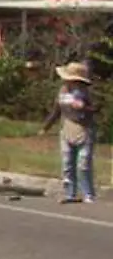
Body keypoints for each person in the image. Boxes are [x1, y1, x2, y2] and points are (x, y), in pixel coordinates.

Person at [44, 62, 97, 204]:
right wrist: (46, 127)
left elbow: (94, 110)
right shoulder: (62, 92)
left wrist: (84, 107)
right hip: (67, 129)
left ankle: (88, 193)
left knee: (83, 165)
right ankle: (70, 193)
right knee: (67, 163)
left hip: (84, 130)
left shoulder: (85, 94)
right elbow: (57, 110)